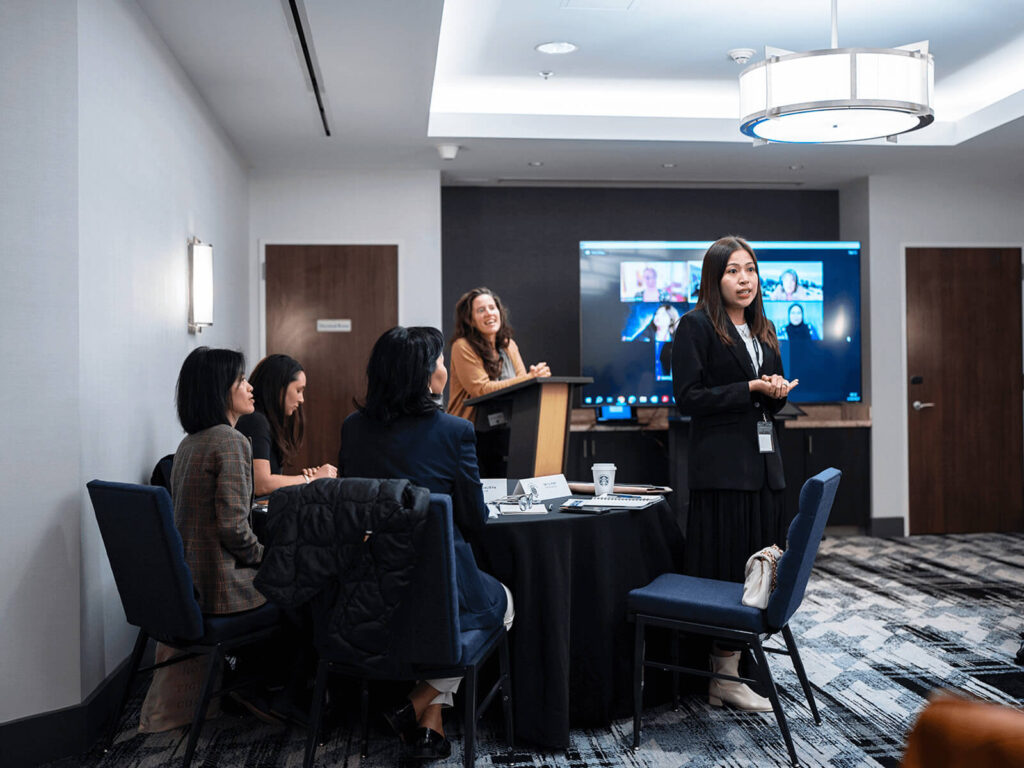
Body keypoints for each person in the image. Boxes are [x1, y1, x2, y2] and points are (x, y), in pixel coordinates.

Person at [338, 326, 514, 761]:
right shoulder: (454, 432)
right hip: (439, 591)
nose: (444, 369)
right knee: (505, 602)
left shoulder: (353, 429)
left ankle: (428, 724)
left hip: (369, 595)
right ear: (421, 376)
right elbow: (474, 518)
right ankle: (418, 701)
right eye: (438, 361)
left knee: (436, 619)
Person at [671, 236, 799, 713]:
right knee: (728, 573)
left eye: (750, 269)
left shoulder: (764, 328)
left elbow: (771, 396)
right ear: (714, 278)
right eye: (732, 271)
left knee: (762, 571)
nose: (745, 279)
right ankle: (722, 674)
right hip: (724, 473)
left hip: (766, 470)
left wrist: (777, 390)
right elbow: (689, 398)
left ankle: (740, 664)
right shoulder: (695, 326)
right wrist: (748, 386)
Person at [235, 354, 336, 496]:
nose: (301, 399)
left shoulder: (265, 422)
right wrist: (310, 479)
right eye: (298, 390)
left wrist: (306, 479)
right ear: (279, 388)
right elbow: (261, 484)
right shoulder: (256, 421)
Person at [447, 287, 551, 422]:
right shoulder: (462, 346)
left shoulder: (509, 345)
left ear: (499, 313)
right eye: (481, 310)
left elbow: (522, 385)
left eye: (492, 307)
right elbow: (481, 389)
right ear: (470, 320)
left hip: (510, 425)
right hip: (471, 430)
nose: (488, 313)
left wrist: (534, 378)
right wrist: (529, 378)